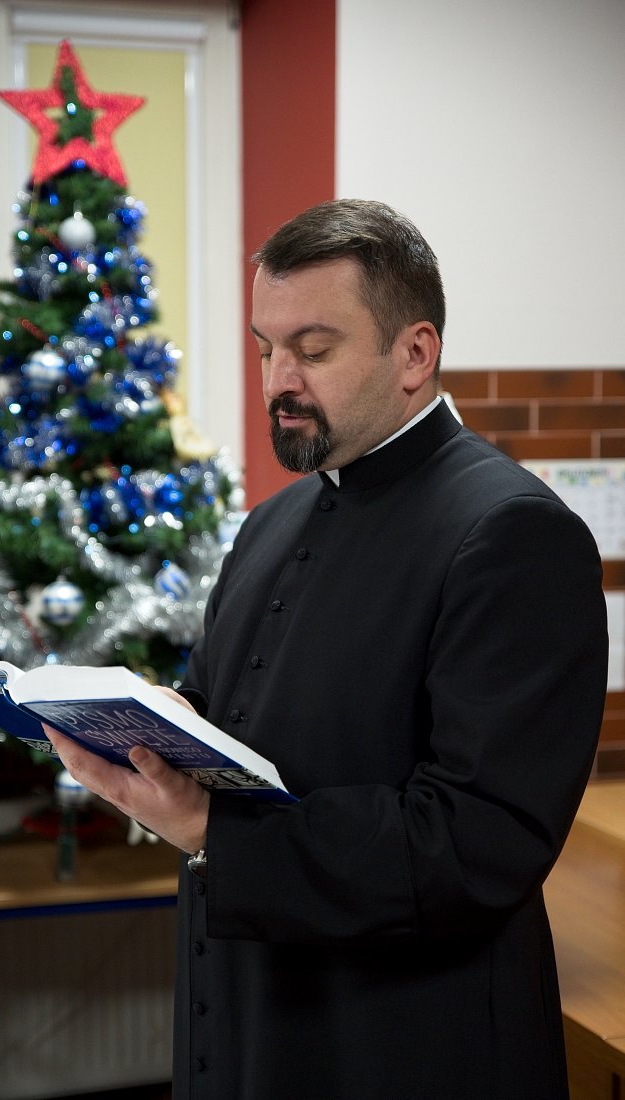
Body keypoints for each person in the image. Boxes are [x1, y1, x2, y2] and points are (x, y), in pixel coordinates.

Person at [46, 199, 609, 1099]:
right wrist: (154, 732)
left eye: (313, 350)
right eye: (266, 349)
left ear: (414, 354)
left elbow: (478, 842)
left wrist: (213, 831)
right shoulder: (269, 524)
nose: (280, 380)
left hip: (410, 1049)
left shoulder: (513, 534)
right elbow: (226, 719)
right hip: (252, 1024)